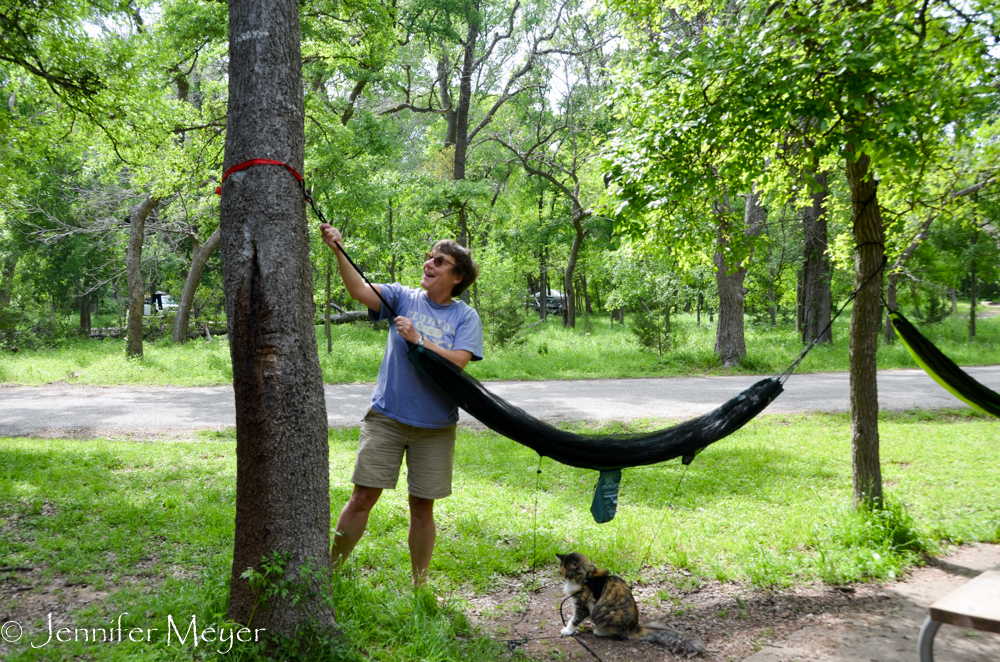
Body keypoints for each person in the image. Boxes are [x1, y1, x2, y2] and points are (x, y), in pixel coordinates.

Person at [320, 223, 483, 587]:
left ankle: (419, 586)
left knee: (422, 507)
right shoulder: (401, 296)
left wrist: (418, 338)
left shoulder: (465, 317)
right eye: (429, 258)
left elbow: (457, 361)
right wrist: (338, 249)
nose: (429, 264)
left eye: (439, 262)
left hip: (436, 427)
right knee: (362, 496)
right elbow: (359, 289)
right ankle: (329, 576)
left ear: (456, 277)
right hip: (386, 419)